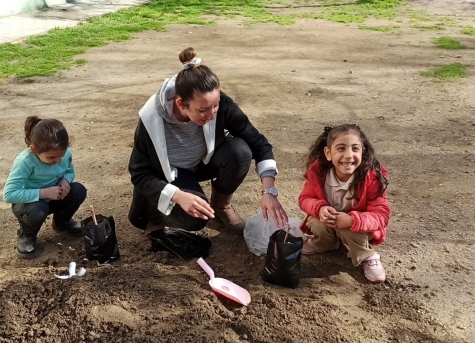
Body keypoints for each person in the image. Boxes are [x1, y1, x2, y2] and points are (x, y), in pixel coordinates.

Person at [128, 47, 288, 233]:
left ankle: (221, 206)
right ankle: (157, 203)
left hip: (200, 162)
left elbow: (259, 144)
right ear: (181, 104)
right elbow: (138, 172)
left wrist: (269, 191)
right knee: (196, 218)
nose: (212, 115)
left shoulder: (216, 105)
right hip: (170, 173)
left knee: (240, 151)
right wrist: (177, 196)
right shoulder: (151, 118)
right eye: (203, 110)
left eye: (216, 105)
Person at [298, 124, 390, 283]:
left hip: (358, 228)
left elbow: (382, 215)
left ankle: (367, 256)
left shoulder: (371, 178)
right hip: (330, 222)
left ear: (363, 152)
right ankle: (323, 244)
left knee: (349, 230)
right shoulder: (319, 173)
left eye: (355, 149)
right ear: (328, 153)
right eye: (341, 149)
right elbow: (305, 199)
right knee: (317, 222)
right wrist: (319, 208)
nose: (349, 155)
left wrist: (352, 220)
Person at [3, 116, 87, 258]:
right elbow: (9, 194)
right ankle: (27, 236)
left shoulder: (65, 155)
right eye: (52, 158)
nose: (58, 161)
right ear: (34, 149)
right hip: (30, 204)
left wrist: (65, 181)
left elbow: (69, 171)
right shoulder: (25, 162)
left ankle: (62, 223)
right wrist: (44, 193)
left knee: (78, 190)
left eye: (61, 155)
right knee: (37, 209)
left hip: (54, 196)